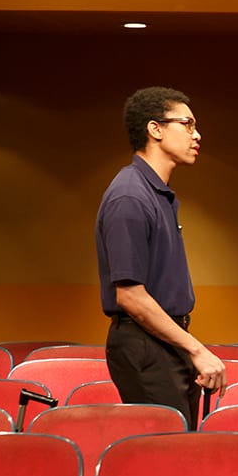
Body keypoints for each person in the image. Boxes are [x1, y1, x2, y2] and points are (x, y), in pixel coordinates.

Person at [95, 86, 225, 426]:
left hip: (165, 341)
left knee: (181, 452)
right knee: (167, 457)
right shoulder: (130, 197)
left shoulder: (157, 194)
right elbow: (131, 296)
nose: (197, 135)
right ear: (156, 129)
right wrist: (198, 350)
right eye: (187, 124)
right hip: (144, 344)